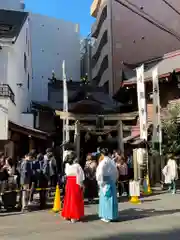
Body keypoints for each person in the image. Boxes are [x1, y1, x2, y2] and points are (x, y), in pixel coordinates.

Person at [96, 148, 119, 223]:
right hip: (111, 181)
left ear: (102, 154)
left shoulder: (103, 162)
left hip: (105, 181)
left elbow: (100, 173)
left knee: (106, 199)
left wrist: (100, 183)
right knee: (112, 199)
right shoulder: (111, 161)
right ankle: (113, 215)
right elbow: (116, 172)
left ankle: (106, 216)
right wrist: (114, 180)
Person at [61, 151, 85, 223]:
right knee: (75, 199)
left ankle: (67, 215)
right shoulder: (77, 166)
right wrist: (81, 184)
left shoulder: (67, 165)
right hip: (75, 183)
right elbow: (81, 176)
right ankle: (73, 216)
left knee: (68, 198)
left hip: (69, 182)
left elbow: (66, 173)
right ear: (75, 158)